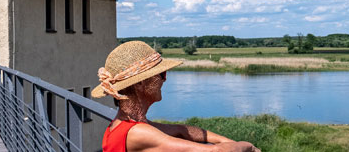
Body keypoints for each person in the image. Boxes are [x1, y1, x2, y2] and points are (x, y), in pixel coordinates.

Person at [93, 41, 260, 152]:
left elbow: (181, 131)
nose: (165, 80)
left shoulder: (129, 124)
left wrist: (227, 141)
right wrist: (250, 147)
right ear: (140, 84)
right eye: (161, 74)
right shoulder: (137, 133)